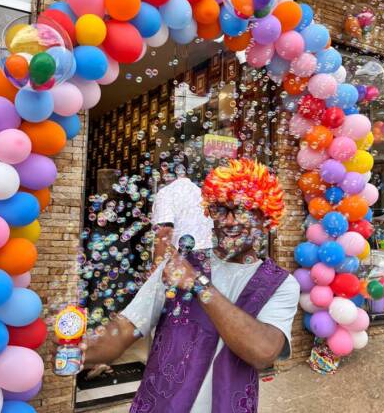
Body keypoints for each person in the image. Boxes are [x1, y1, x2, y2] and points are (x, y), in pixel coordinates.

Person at [78, 158, 300, 413]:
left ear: (264, 217)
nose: (229, 221)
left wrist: (197, 284)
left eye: (241, 210)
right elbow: (121, 333)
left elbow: (263, 351)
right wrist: (79, 349)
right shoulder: (176, 267)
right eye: (220, 209)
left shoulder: (281, 284)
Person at [151, 150, 213, 258]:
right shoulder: (200, 192)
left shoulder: (166, 193)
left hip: (182, 260)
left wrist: (155, 266)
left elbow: (164, 232)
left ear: (164, 169)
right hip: (207, 255)